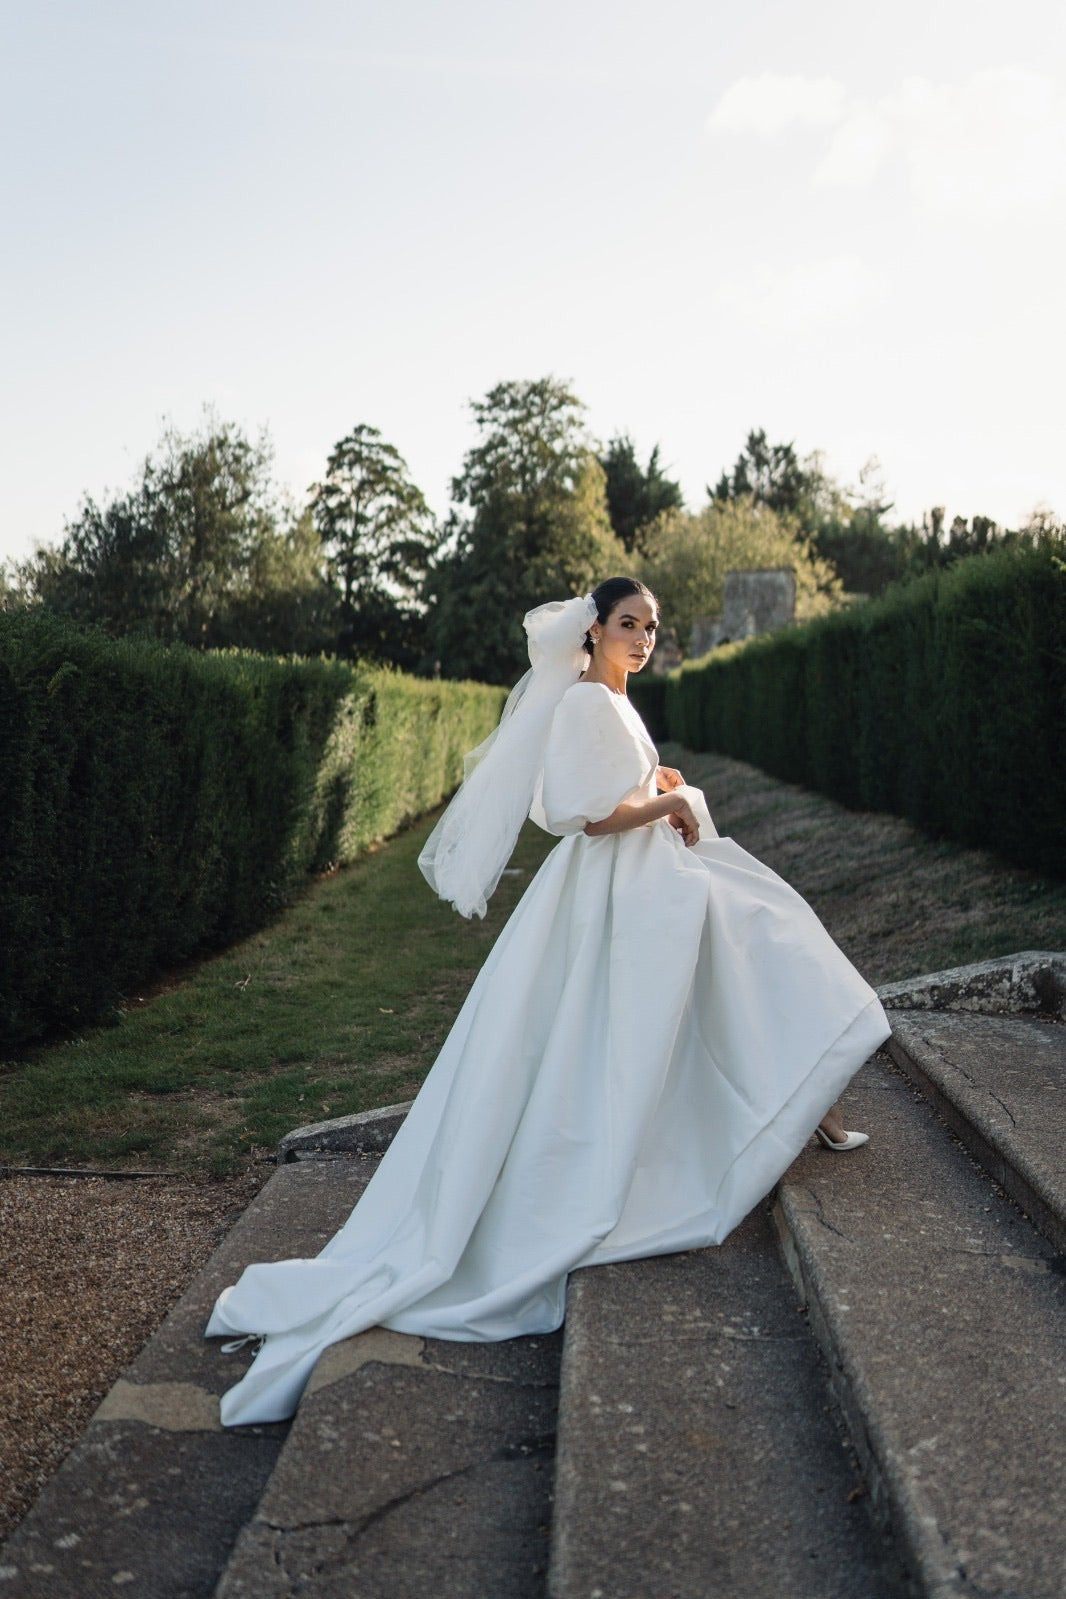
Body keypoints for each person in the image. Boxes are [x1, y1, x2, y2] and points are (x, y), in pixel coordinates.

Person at [206, 578, 891, 1426]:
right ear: (594, 630)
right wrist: (670, 799)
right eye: (628, 625)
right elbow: (586, 813)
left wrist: (658, 780)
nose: (642, 638)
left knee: (770, 936)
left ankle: (809, 1099)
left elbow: (621, 787)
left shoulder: (610, 700)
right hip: (624, 888)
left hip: (650, 877)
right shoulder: (581, 705)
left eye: (651, 626)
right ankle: (804, 1097)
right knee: (764, 939)